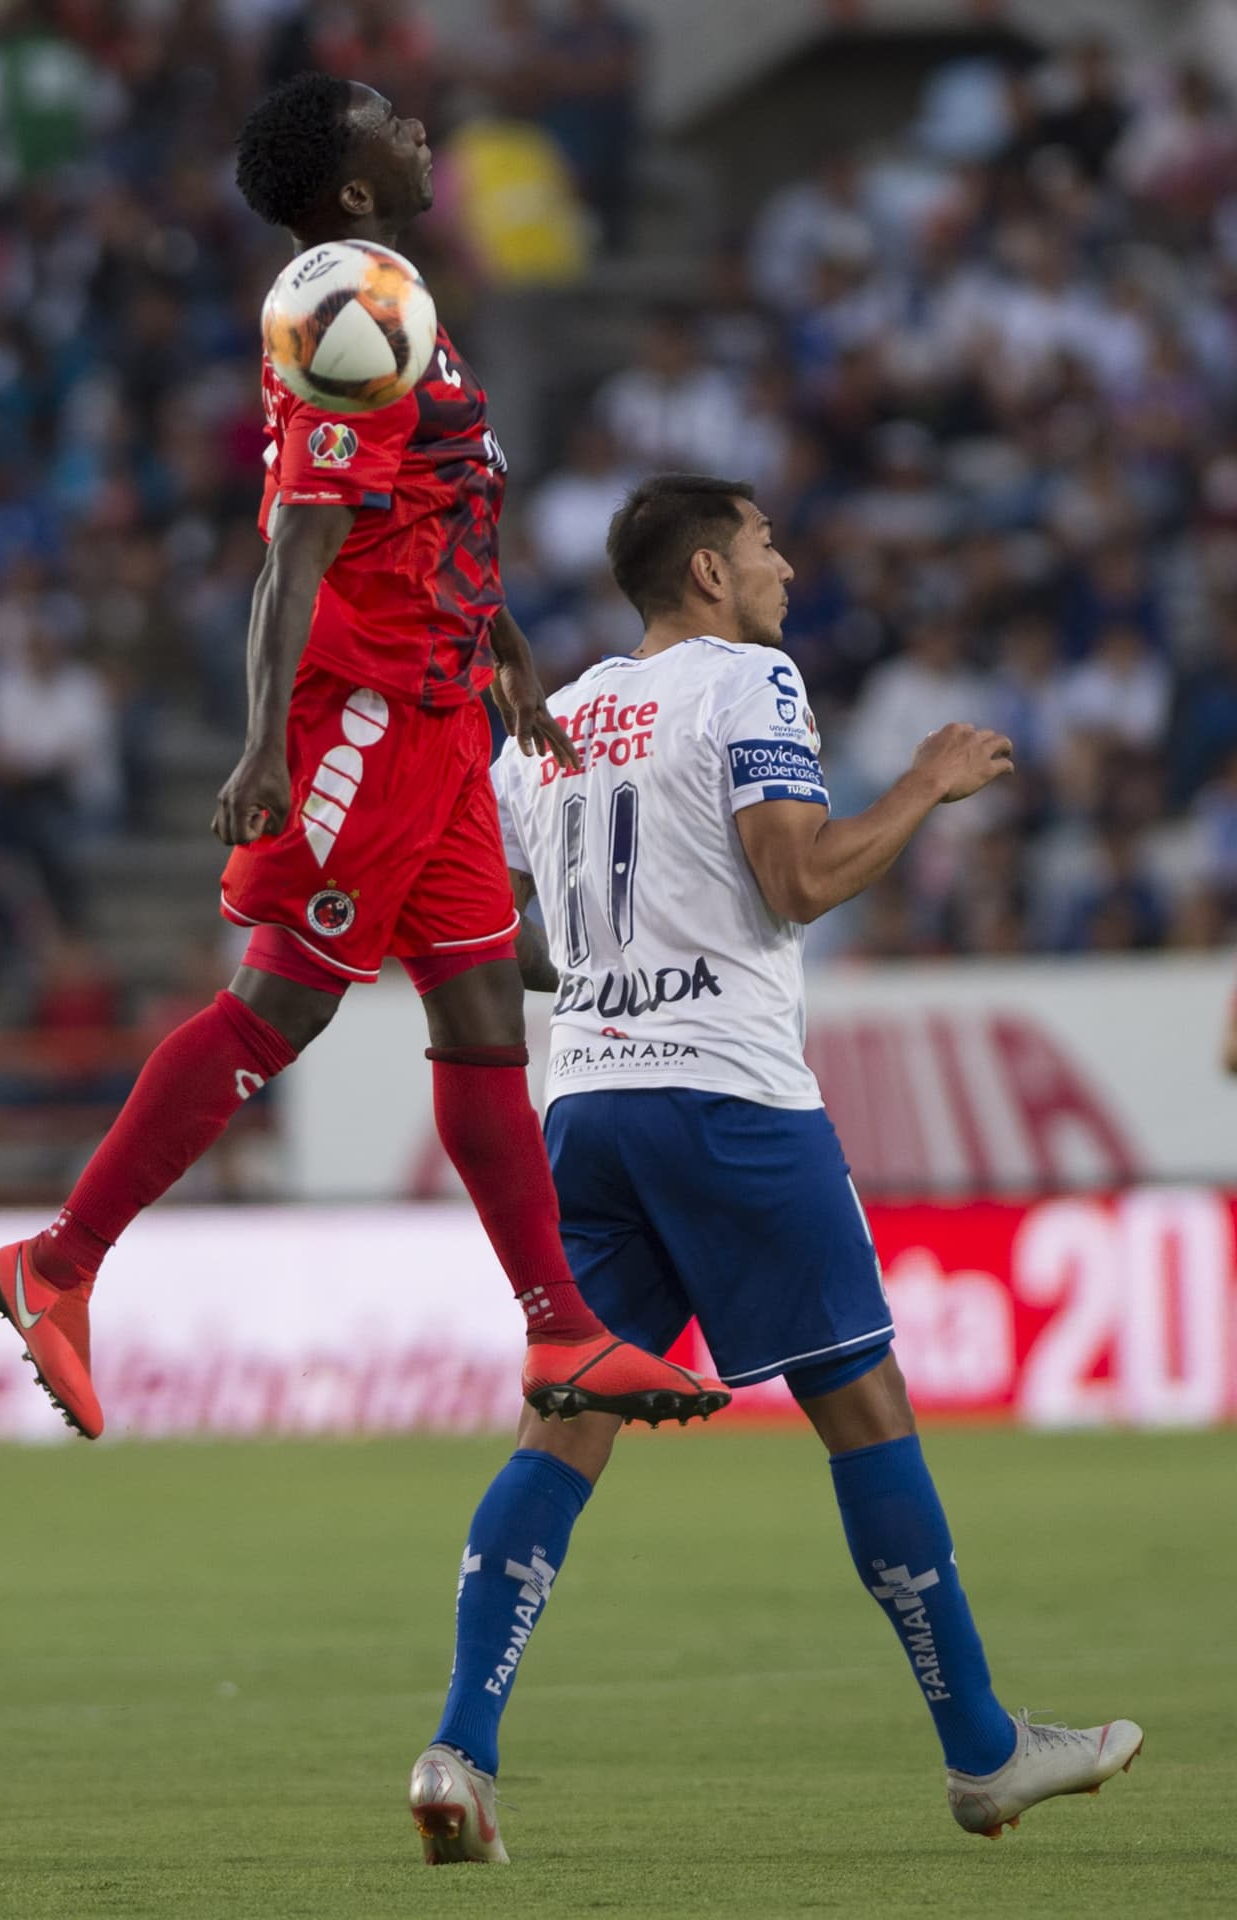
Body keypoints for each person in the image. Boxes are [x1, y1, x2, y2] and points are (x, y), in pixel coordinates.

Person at [0, 75, 728, 1443]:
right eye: (390, 122)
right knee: (286, 1007)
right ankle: (60, 1265)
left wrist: (495, 638)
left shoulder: (393, 302)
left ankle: (561, 1330)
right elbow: (298, 549)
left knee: (489, 1009)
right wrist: (266, 743)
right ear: (358, 191)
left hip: (441, 708)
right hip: (366, 719)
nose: (420, 124)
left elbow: (430, 499)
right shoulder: (346, 323)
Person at [408, 474, 1143, 1862]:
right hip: (731, 1098)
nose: (786, 568)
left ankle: (459, 1747)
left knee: (563, 1426)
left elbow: (494, 934)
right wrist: (927, 782)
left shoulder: (548, 725)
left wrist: (607, 967)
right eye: (763, 546)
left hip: (589, 1110)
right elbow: (798, 881)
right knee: (864, 1410)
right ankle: (984, 1752)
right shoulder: (751, 680)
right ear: (705, 574)